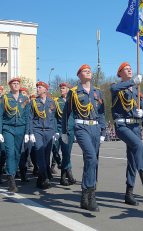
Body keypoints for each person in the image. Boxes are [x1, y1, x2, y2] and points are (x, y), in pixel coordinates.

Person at [110, 62, 143, 206]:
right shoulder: (116, 87)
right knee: (138, 146)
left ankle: (128, 194)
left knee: (132, 160)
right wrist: (132, 82)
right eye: (126, 69)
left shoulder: (137, 90)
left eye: (130, 68)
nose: (130, 70)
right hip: (122, 125)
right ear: (120, 73)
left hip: (135, 126)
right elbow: (114, 88)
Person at [62, 64, 106, 212]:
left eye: (89, 70)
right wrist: (63, 133)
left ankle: (84, 197)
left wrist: (103, 131)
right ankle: (91, 196)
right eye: (84, 71)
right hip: (81, 128)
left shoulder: (97, 92)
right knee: (92, 159)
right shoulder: (74, 92)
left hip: (95, 128)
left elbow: (101, 112)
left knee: (90, 162)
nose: (88, 72)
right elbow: (66, 113)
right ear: (79, 75)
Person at [0, 78, 30, 193]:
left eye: (17, 83)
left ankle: (13, 173)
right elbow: (0, 115)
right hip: (8, 128)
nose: (16, 85)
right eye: (14, 84)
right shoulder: (5, 98)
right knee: (10, 153)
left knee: (17, 154)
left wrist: (27, 132)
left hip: (20, 129)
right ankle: (11, 180)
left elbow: (27, 117)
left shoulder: (25, 99)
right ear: (10, 86)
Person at [29, 81, 57, 189]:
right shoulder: (34, 102)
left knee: (46, 155)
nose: (37, 89)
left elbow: (53, 118)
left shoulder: (52, 103)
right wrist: (31, 133)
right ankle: (45, 176)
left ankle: (40, 180)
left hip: (49, 131)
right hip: (37, 130)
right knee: (40, 153)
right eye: (37, 88)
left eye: (40, 87)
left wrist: (54, 133)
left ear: (45, 89)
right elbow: (30, 118)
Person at [55, 83, 77, 186]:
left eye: (63, 88)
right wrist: (55, 131)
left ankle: (63, 178)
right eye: (61, 88)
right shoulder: (57, 102)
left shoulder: (72, 101)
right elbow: (54, 117)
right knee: (65, 152)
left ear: (68, 89)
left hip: (71, 130)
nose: (61, 90)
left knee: (67, 153)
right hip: (61, 130)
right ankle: (70, 175)